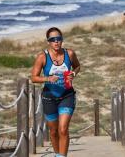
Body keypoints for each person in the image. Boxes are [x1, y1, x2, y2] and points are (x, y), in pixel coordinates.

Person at [31, 27, 80, 157]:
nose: (56, 42)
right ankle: (58, 154)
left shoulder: (69, 54)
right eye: (53, 39)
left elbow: (77, 66)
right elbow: (33, 77)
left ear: (62, 40)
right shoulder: (42, 57)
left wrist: (73, 73)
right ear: (48, 42)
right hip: (49, 97)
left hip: (67, 95)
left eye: (59, 39)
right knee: (53, 131)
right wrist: (47, 78)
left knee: (63, 129)